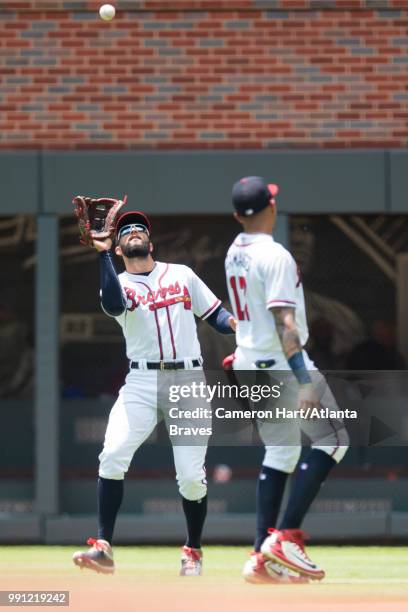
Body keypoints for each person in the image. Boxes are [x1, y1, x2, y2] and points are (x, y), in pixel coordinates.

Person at [72, 209, 235, 576]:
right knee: (112, 454)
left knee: (192, 478)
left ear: (151, 241)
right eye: (126, 230)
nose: (133, 232)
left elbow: (216, 317)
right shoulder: (117, 284)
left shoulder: (182, 274)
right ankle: (103, 547)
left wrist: (237, 323)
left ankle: (193, 550)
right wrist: (100, 252)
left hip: (188, 381)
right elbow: (114, 305)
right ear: (118, 247)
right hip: (142, 383)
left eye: (139, 229)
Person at [224, 177, 349, 583]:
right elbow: (284, 322)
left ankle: (261, 556)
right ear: (272, 208)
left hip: (250, 361)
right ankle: (285, 537)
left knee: (280, 454)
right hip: (280, 364)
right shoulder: (274, 254)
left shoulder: (233, 252)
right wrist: (304, 380)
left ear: (236, 215)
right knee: (334, 440)